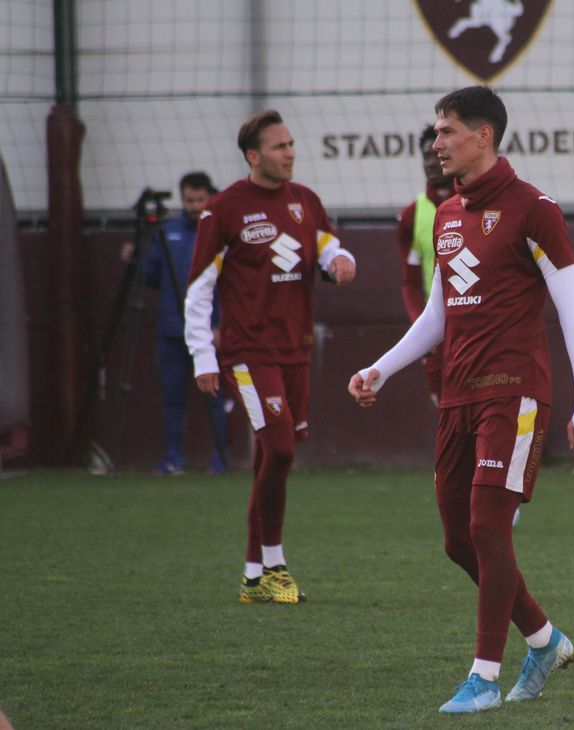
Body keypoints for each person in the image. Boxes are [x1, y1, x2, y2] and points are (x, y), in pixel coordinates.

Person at [348, 86, 574, 714]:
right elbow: (440, 311)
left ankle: (483, 677)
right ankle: (543, 640)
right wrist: (381, 369)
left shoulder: (534, 209)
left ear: (483, 135)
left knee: (488, 526)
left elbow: (573, 311)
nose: (436, 144)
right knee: (458, 542)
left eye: (446, 131)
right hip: (458, 397)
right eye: (436, 133)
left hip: (513, 395)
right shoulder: (449, 215)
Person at [185, 110, 356, 604]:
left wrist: (343, 262)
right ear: (253, 156)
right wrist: (203, 357)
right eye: (279, 147)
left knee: (271, 457)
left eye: (291, 144)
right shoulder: (223, 210)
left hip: (294, 350)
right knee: (280, 449)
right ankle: (277, 566)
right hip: (248, 351)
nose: (290, 153)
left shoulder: (306, 202)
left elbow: (328, 248)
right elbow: (199, 291)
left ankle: (253, 575)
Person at [123, 172, 230, 476]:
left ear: (210, 197)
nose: (195, 206)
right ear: (182, 200)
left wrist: (221, 323)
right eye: (189, 200)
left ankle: (220, 459)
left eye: (200, 199)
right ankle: (173, 457)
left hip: (208, 330)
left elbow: (229, 284)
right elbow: (153, 277)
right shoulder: (167, 232)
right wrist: (135, 261)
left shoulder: (221, 232)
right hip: (170, 329)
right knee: (172, 395)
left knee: (215, 396)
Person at [395, 125, 455, 403]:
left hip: (476, 325)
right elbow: (410, 282)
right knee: (446, 411)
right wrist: (423, 328)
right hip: (437, 328)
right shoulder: (411, 215)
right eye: (425, 156)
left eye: (436, 153)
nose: (431, 161)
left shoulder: (478, 203)